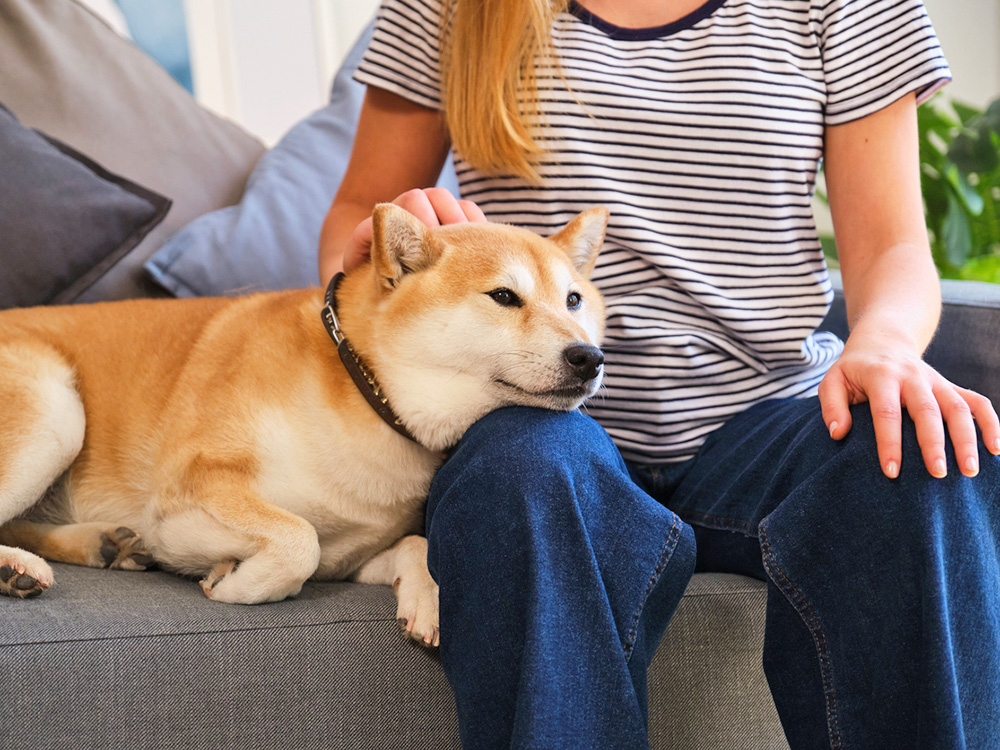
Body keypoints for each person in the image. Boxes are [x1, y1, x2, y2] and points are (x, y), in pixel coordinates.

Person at [319, 1, 1000, 747]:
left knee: (922, 457)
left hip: (766, 417)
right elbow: (363, 209)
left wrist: (889, 344)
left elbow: (893, 244)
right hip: (546, 427)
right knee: (519, 475)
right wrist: (372, 251)